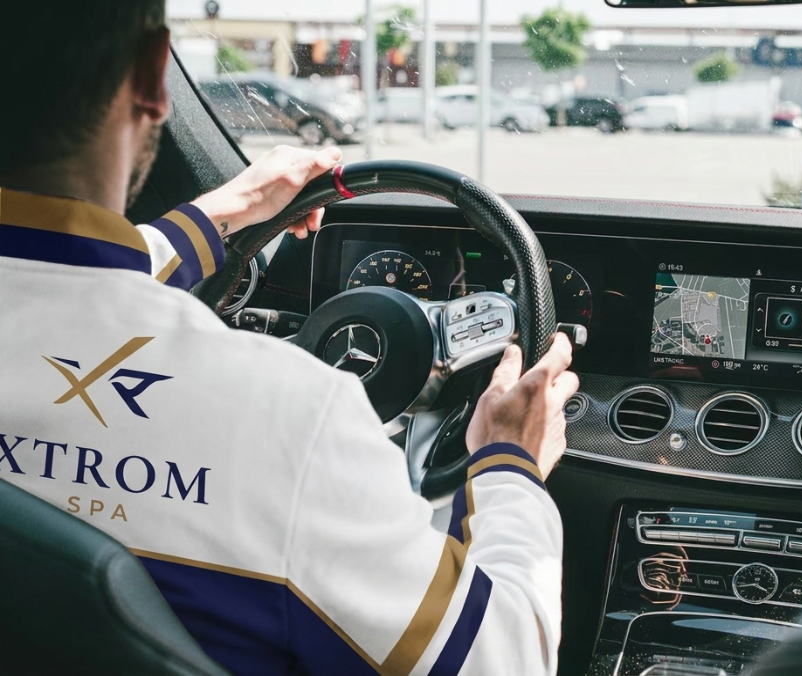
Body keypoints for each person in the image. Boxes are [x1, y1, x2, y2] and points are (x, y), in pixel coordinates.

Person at [0, 2, 578, 675]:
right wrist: (509, 466)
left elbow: (61, 276)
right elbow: (500, 659)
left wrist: (227, 210)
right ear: (155, 77)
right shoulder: (294, 418)